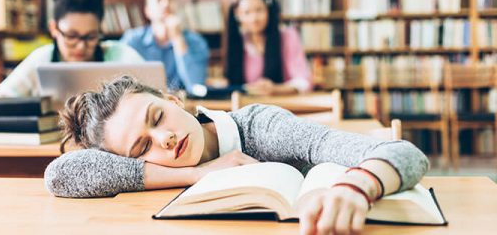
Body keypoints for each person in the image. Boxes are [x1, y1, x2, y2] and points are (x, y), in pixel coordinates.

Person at [44, 76, 429, 235]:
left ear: (174, 100)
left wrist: (357, 187)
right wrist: (197, 174)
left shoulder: (261, 126)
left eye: (158, 117)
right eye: (142, 147)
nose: (164, 139)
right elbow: (61, 175)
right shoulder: (168, 165)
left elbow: (403, 152)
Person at [0, 0, 143, 98]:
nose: (81, 46)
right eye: (71, 36)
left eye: (90, 37)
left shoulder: (120, 55)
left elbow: (157, 94)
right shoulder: (42, 59)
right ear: (54, 28)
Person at [120, 0, 209, 94]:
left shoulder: (196, 42)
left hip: (181, 105)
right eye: (159, 0)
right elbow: (119, 83)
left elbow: (195, 85)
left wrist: (178, 39)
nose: (166, 4)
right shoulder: (132, 41)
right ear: (147, 11)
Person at [226, 0, 311, 95]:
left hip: (283, 104)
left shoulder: (287, 36)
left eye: (259, 10)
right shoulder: (239, 42)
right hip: (246, 106)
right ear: (238, 16)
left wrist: (276, 89)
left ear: (268, 11)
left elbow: (303, 81)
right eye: (247, 13)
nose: (254, 18)